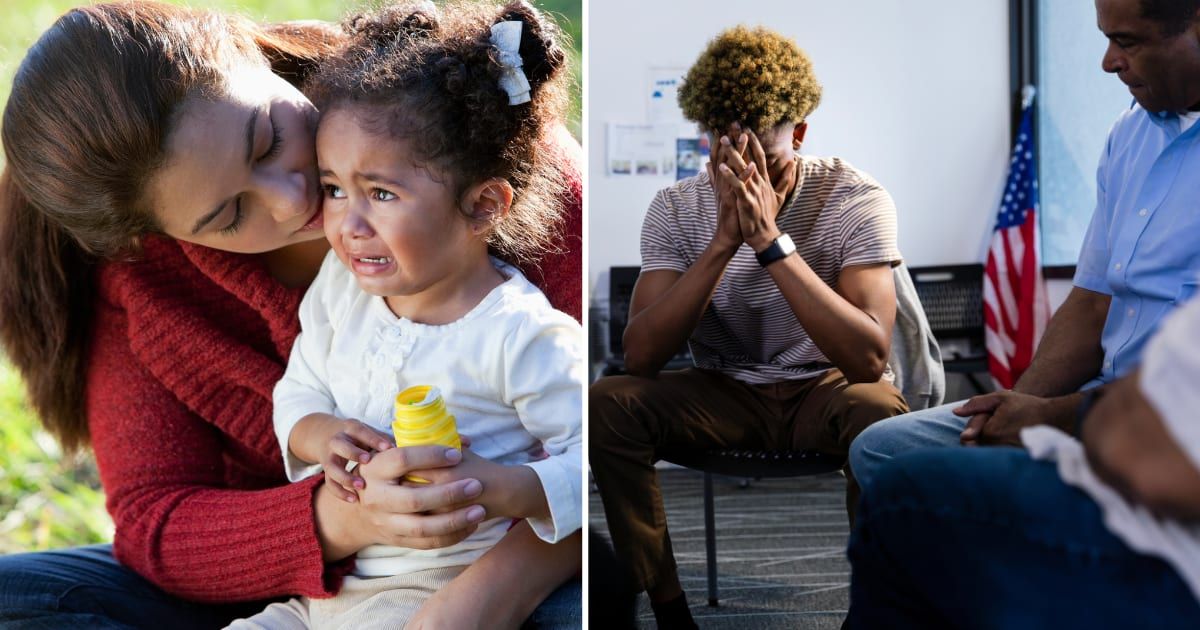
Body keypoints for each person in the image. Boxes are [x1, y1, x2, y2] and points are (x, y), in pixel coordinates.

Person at [0, 1, 581, 628]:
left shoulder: (468, 127)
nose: (290, 198)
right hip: (294, 580)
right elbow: (156, 521)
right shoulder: (145, 280)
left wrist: (483, 596)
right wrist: (346, 517)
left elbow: (609, 450)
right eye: (228, 216)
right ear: (159, 236)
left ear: (251, 54)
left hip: (503, 555)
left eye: (268, 139)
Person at [224, 3, 582, 627]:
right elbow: (298, 390)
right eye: (334, 188)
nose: (347, 224)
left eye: (381, 193)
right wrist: (320, 436)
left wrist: (499, 486)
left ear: (482, 205)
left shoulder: (520, 334)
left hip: (441, 590)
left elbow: (595, 460)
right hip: (328, 597)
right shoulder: (341, 290)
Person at [588, 25, 909, 628]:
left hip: (826, 387)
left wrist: (770, 242)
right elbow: (642, 358)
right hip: (726, 391)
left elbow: (868, 359)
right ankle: (667, 609)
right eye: (725, 149)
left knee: (882, 415)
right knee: (608, 403)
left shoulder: (856, 198)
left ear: (801, 133)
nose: (742, 168)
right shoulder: (676, 207)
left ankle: (876, 608)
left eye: (763, 150)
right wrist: (721, 243)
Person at [849, 0, 1200, 490]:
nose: (1108, 61)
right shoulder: (1129, 135)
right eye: (1105, 39)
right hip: (1088, 404)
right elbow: (1092, 304)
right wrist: (1007, 412)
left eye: (1128, 41)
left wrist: (1050, 417)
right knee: (883, 449)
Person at [846, 287, 1200, 628]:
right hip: (1099, 418)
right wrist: (1014, 409)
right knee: (883, 447)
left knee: (903, 496)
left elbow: (1152, 464)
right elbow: (1091, 309)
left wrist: (1070, 417)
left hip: (1166, 544)